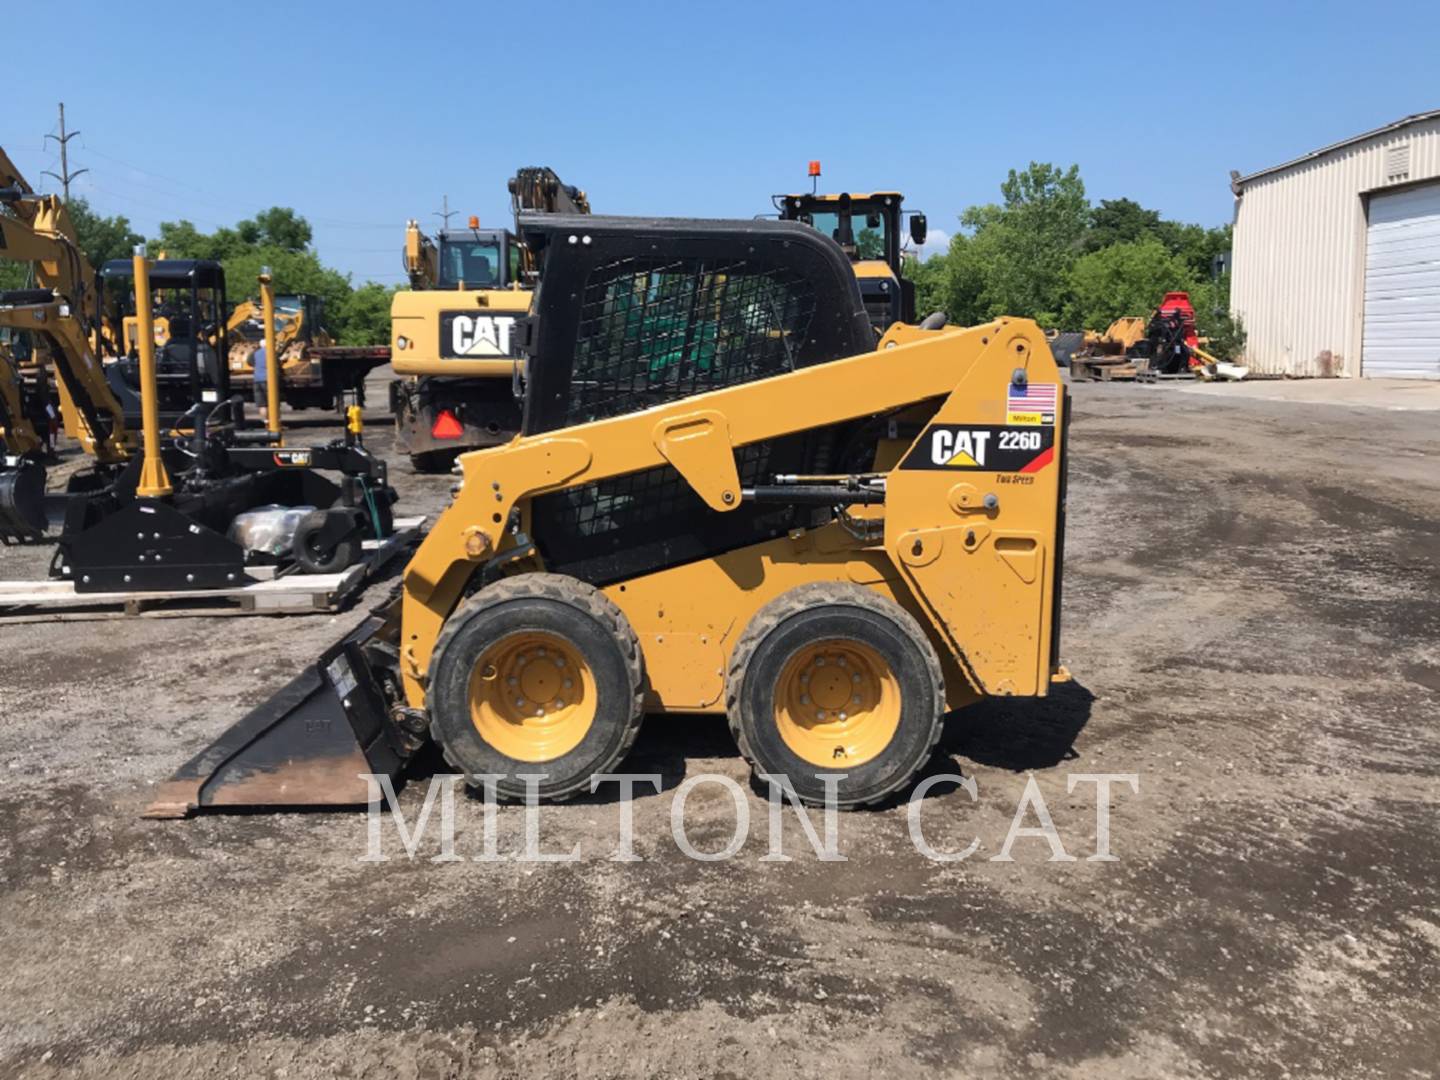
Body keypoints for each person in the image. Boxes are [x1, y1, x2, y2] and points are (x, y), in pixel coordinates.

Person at [250, 342, 269, 424]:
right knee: (271, 402)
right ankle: (274, 423)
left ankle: (265, 422)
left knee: (262, 404)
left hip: (257, 379)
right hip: (268, 379)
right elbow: (277, 364)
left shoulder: (256, 353)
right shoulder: (271, 352)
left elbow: (249, 360)